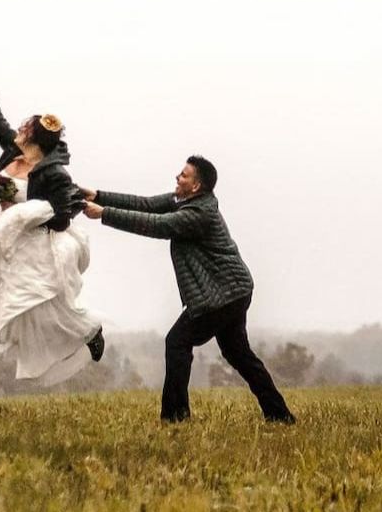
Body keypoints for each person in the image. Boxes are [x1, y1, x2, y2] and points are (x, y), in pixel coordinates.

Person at [80, 157, 295, 423]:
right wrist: (99, 196)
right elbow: (146, 205)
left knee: (178, 342)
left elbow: (156, 225)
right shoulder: (183, 201)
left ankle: (175, 418)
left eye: (183, 175)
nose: (177, 178)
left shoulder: (198, 214)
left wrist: (104, 214)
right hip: (231, 291)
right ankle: (280, 415)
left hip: (225, 294)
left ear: (196, 186)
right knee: (238, 354)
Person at [0, 38, 105, 387]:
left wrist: (25, 212)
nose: (18, 130)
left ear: (36, 139)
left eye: (24, 129)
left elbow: (63, 216)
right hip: (5, 243)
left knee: (38, 307)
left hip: (36, 247)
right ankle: (76, 332)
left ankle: (89, 330)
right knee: (13, 309)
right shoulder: (12, 155)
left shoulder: (53, 173)